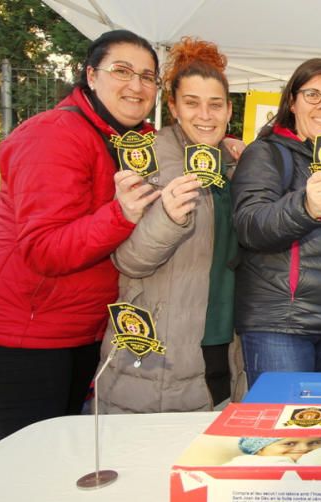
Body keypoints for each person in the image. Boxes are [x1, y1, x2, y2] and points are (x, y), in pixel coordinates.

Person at [0, 30, 161, 442]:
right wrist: (120, 213)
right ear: (91, 75)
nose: (136, 85)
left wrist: (220, 144)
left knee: (65, 457)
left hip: (81, 330)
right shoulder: (53, 135)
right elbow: (44, 250)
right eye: (122, 71)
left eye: (148, 76)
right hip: (23, 335)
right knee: (27, 466)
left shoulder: (127, 139)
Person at [96, 38, 245, 413]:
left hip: (226, 346)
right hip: (163, 349)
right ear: (174, 107)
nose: (205, 116)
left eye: (215, 105)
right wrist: (168, 218)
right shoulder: (149, 160)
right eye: (192, 103)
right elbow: (128, 262)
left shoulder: (237, 164)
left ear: (229, 110)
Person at [232, 58, 321, 386]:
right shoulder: (266, 153)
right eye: (313, 95)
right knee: (283, 430)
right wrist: (305, 207)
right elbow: (250, 225)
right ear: (292, 102)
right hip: (282, 325)